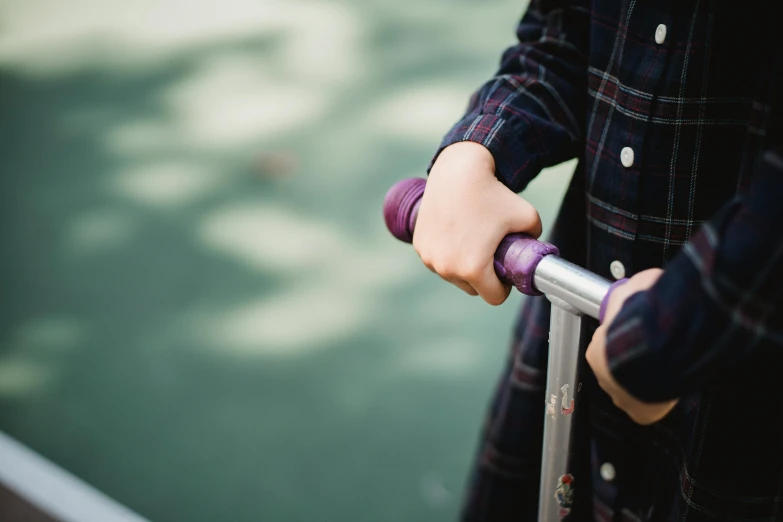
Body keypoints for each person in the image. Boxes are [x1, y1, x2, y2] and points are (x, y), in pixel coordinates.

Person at [412, 0, 783, 520]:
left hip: (739, 383)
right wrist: (473, 150)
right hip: (588, 290)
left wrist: (689, 323)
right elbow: (562, 35)